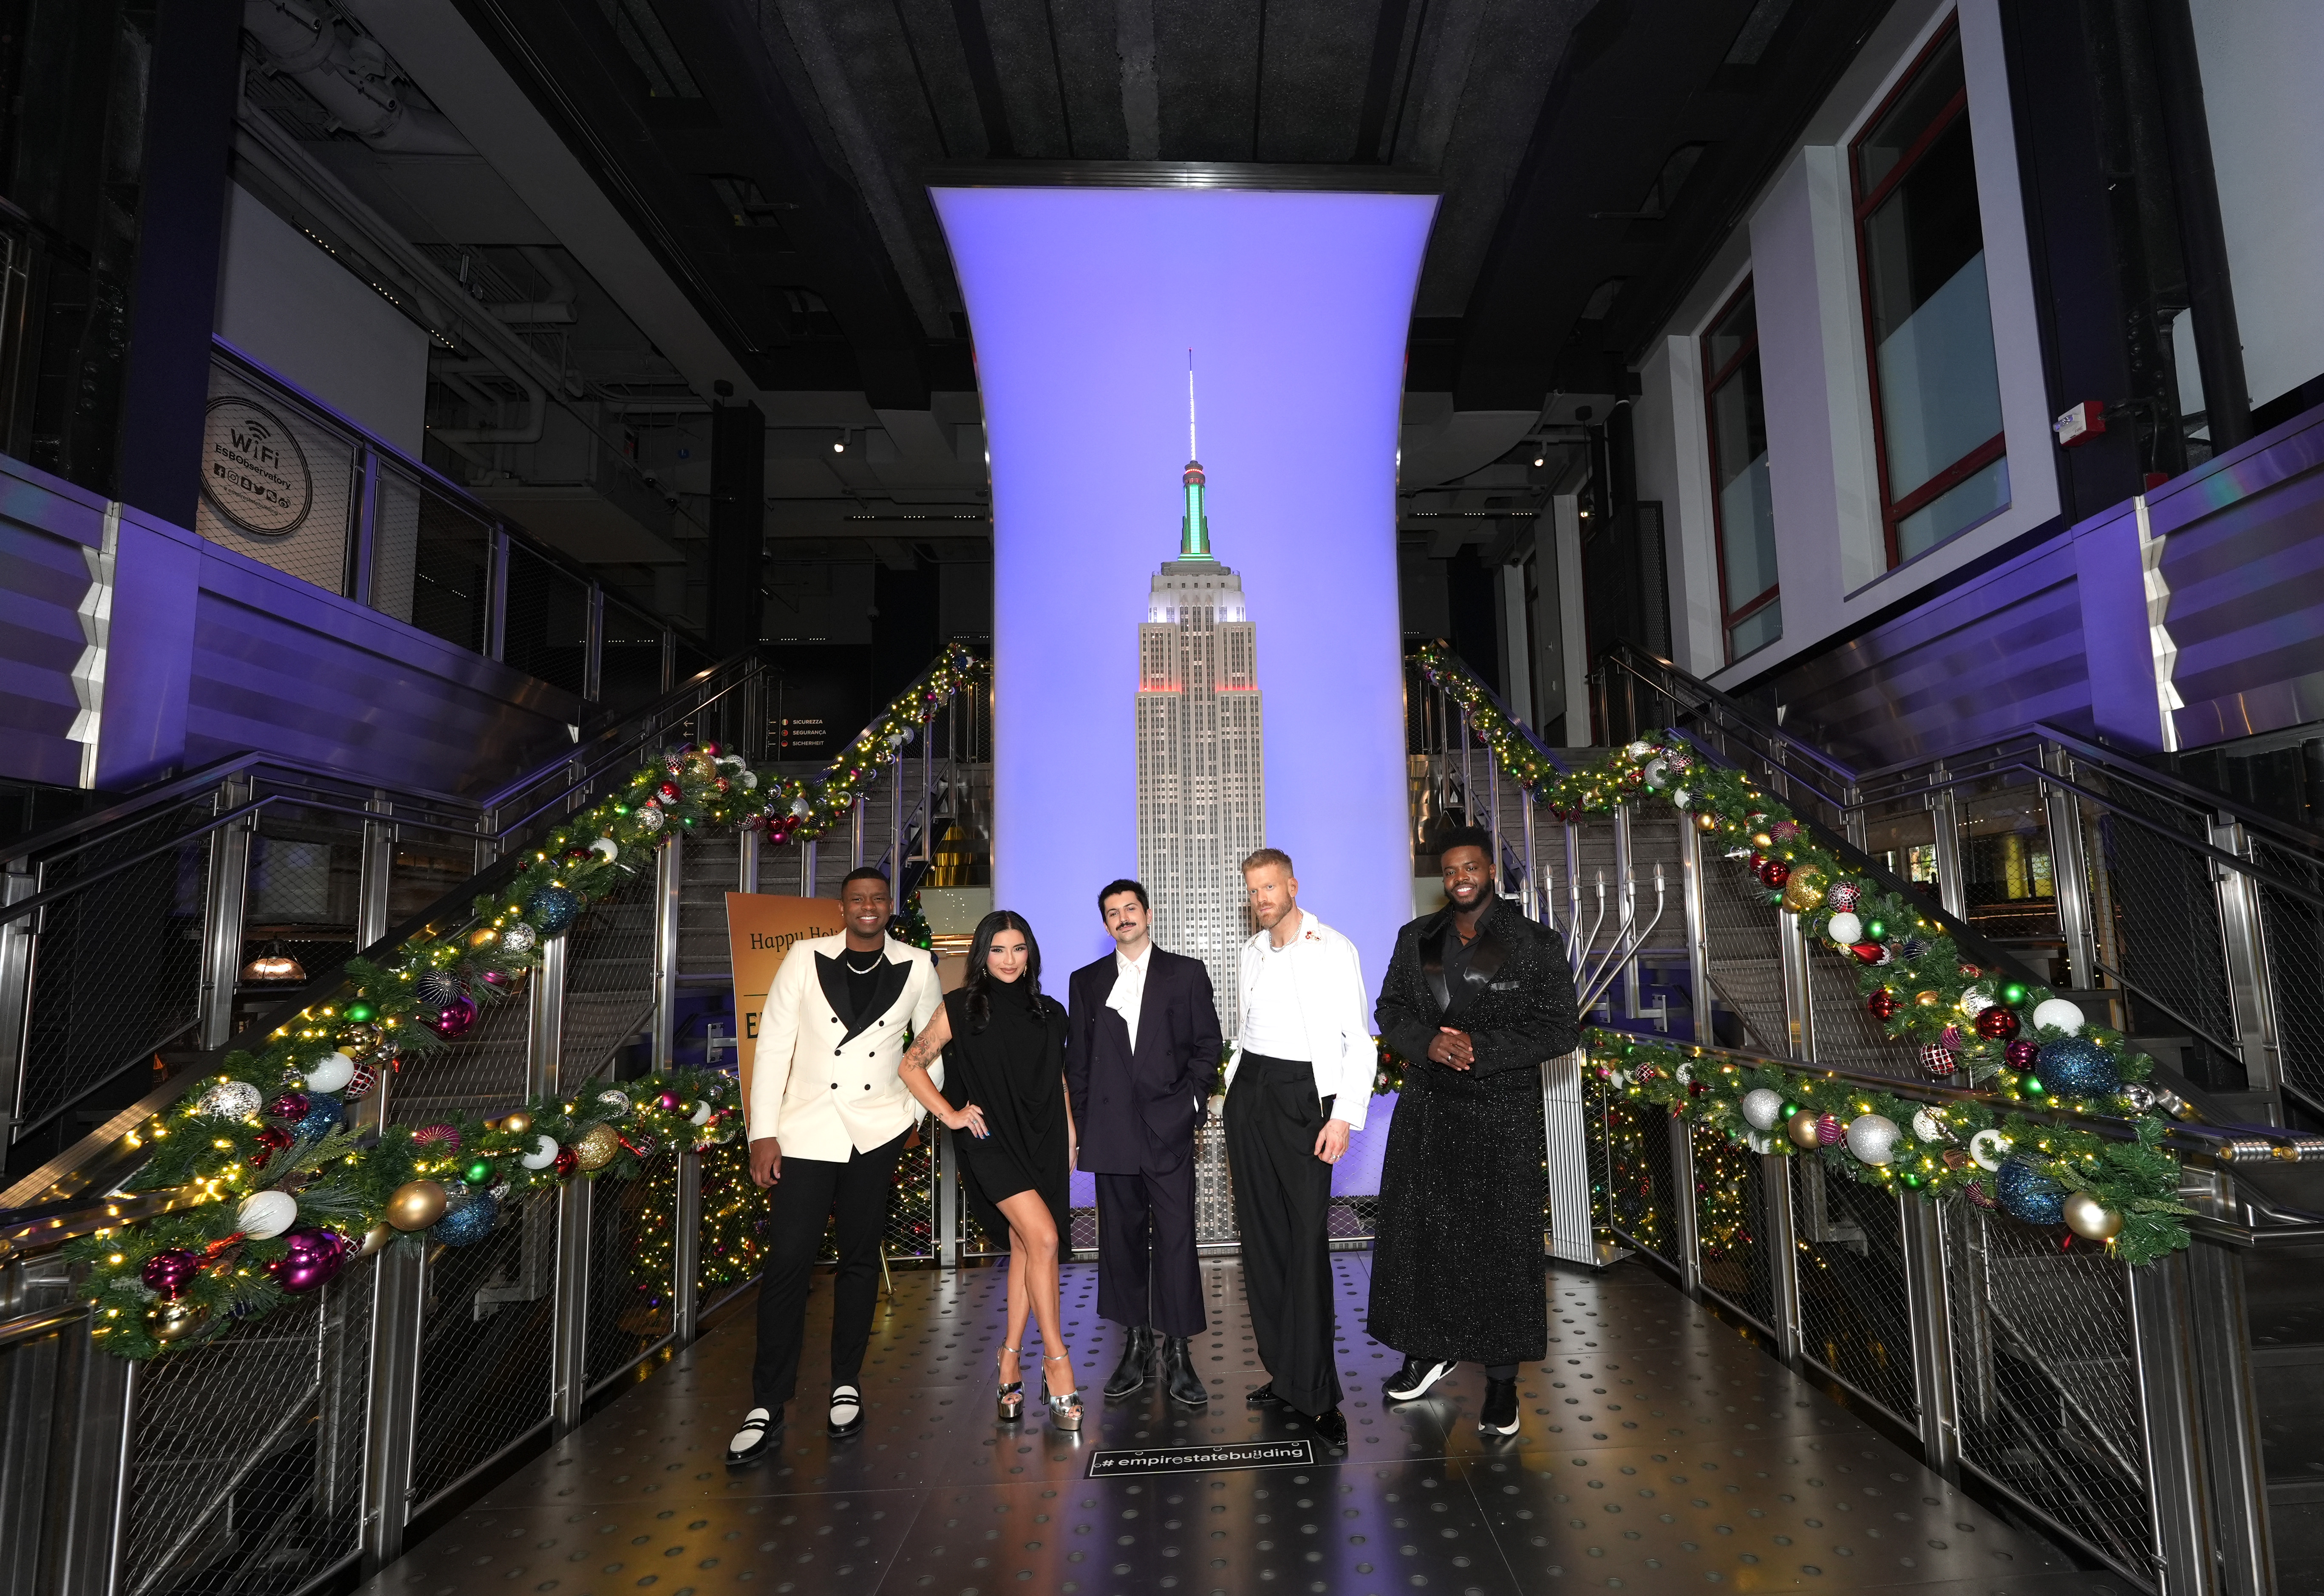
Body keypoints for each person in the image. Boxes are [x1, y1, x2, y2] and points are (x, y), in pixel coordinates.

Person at [1369, 826, 1580, 1436]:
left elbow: (1560, 1029)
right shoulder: (1416, 937)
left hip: (1500, 1114)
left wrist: (1479, 1049)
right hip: (1429, 1109)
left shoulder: (1535, 942)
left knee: (1501, 1250)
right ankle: (1428, 1351)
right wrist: (1427, 1043)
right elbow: (1390, 1009)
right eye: (1450, 870)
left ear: (1490, 871)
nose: (1460, 878)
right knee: (1425, 1238)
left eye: (1470, 867)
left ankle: (1502, 1385)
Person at [729, 867, 943, 1463]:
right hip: (805, 1130)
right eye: (857, 899)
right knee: (787, 1264)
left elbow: (931, 1046)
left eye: (877, 899)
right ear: (842, 907)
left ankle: (845, 1383)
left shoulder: (917, 965)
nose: (867, 907)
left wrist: (915, 1116)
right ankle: (767, 1401)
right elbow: (774, 1046)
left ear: (889, 906)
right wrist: (763, 1133)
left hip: (876, 1130)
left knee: (859, 1259)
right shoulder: (805, 957)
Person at [896, 911, 1082, 1431]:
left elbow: (1059, 1078)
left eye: (1019, 949)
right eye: (998, 949)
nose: (1009, 959)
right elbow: (910, 1064)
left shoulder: (1051, 1011)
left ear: (1030, 954)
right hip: (989, 1141)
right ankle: (1057, 1361)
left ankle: (1009, 1357)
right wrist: (950, 1114)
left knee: (1027, 1246)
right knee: (1044, 1239)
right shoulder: (959, 1007)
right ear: (982, 955)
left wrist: (1070, 1130)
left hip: (1043, 1138)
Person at [1220, 847, 1377, 1450]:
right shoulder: (1252, 951)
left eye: (1269, 888)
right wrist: (1232, 1089)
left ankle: (1316, 1391)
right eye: (1252, 891)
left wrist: (1343, 1117)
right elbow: (1246, 1030)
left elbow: (1358, 1042)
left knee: (1306, 1242)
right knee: (1262, 1240)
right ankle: (1284, 1374)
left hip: (1304, 1098)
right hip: (1251, 1094)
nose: (1260, 899)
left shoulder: (1332, 947)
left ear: (1291, 886)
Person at [1064, 880, 1223, 1406]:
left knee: (1177, 1238)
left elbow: (1208, 1046)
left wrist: (1191, 1104)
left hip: (1168, 1128)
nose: (1123, 917)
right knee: (1120, 1242)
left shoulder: (1186, 973)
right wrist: (1084, 1127)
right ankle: (1135, 1345)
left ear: (1148, 914)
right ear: (1105, 924)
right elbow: (1078, 1062)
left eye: (1130, 908)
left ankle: (1178, 1350)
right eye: (1113, 912)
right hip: (1110, 1132)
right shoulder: (1086, 981)